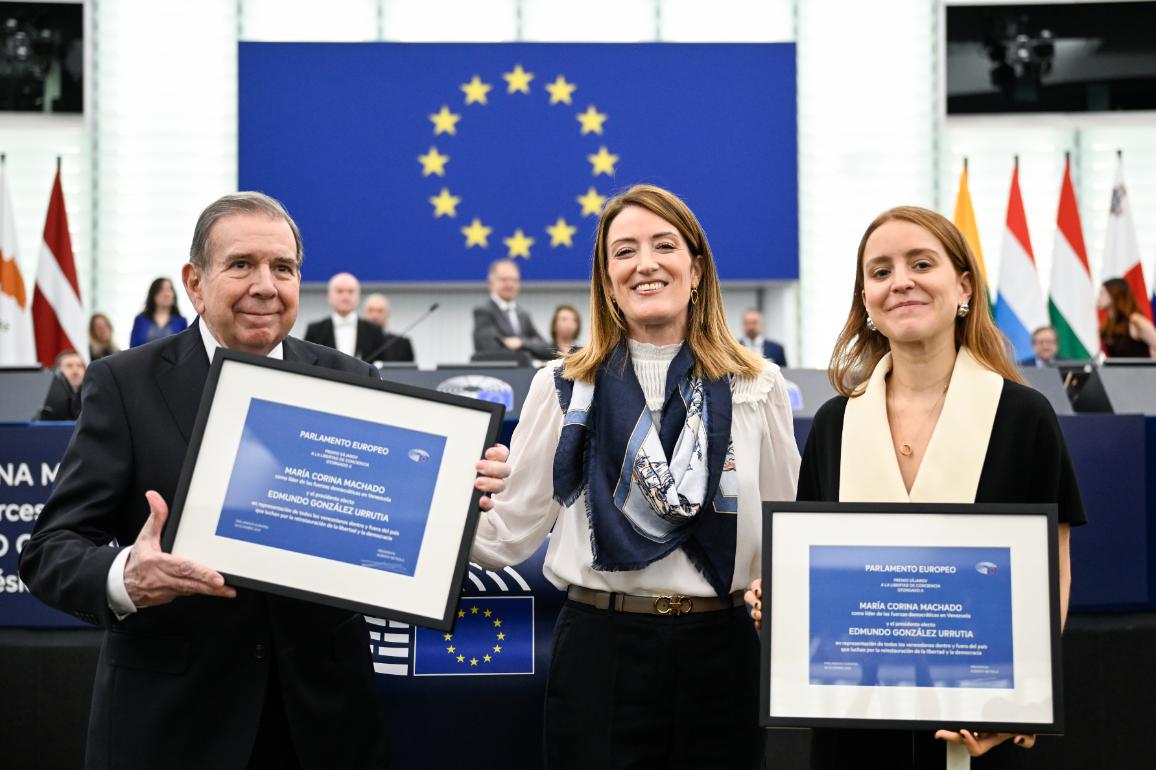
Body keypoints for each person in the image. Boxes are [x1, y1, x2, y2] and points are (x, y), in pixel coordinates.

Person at [19, 192, 511, 770]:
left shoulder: (353, 379)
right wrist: (126, 576)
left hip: (321, 728)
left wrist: (458, 492)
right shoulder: (124, 384)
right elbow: (50, 550)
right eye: (241, 264)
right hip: (174, 728)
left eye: (284, 268)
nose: (265, 285)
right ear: (195, 283)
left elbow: (386, 523)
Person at [471, 184, 800, 769]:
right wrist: (447, 495)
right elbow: (507, 536)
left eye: (664, 246)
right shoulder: (565, 385)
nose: (645, 264)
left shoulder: (757, 385)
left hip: (723, 652)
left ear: (696, 269)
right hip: (601, 650)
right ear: (606, 278)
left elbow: (786, 537)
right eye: (624, 252)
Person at [746, 206, 1085, 769]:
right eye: (880, 271)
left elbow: (1052, 571)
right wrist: (782, 602)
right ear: (867, 302)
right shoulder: (835, 423)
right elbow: (818, 578)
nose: (900, 281)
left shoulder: (1025, 416)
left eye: (920, 263)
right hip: (851, 730)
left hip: (974, 732)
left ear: (964, 287)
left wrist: (1015, 715)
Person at [471, 258, 553, 359]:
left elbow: (547, 349)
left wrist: (521, 343)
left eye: (514, 280)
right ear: (490, 283)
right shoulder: (483, 312)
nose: (510, 284)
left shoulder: (523, 314)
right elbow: (489, 349)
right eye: (504, 280)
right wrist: (531, 345)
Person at [304, 272, 387, 363]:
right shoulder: (315, 330)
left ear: (358, 297)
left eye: (350, 292)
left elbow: (382, 366)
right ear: (329, 297)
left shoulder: (374, 331)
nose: (345, 296)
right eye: (340, 291)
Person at [1098, 277, 1156, 358]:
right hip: (1117, 370)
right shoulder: (1108, 324)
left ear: (1115, 294)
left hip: (1140, 370)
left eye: (1102, 293)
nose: (1098, 297)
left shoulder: (1135, 321)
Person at [129, 277, 188, 347]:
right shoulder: (140, 320)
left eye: (170, 290)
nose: (166, 294)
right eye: (161, 290)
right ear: (153, 294)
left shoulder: (181, 321)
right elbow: (133, 349)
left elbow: (184, 349)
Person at [361, 291, 415, 362]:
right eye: (371, 310)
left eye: (380, 311)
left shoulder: (402, 344)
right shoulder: (356, 340)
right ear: (363, 314)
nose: (375, 316)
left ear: (388, 314)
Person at [38, 349, 85, 420]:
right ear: (58, 370)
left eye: (80, 366)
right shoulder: (46, 395)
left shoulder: (93, 394)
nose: (75, 370)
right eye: (69, 366)